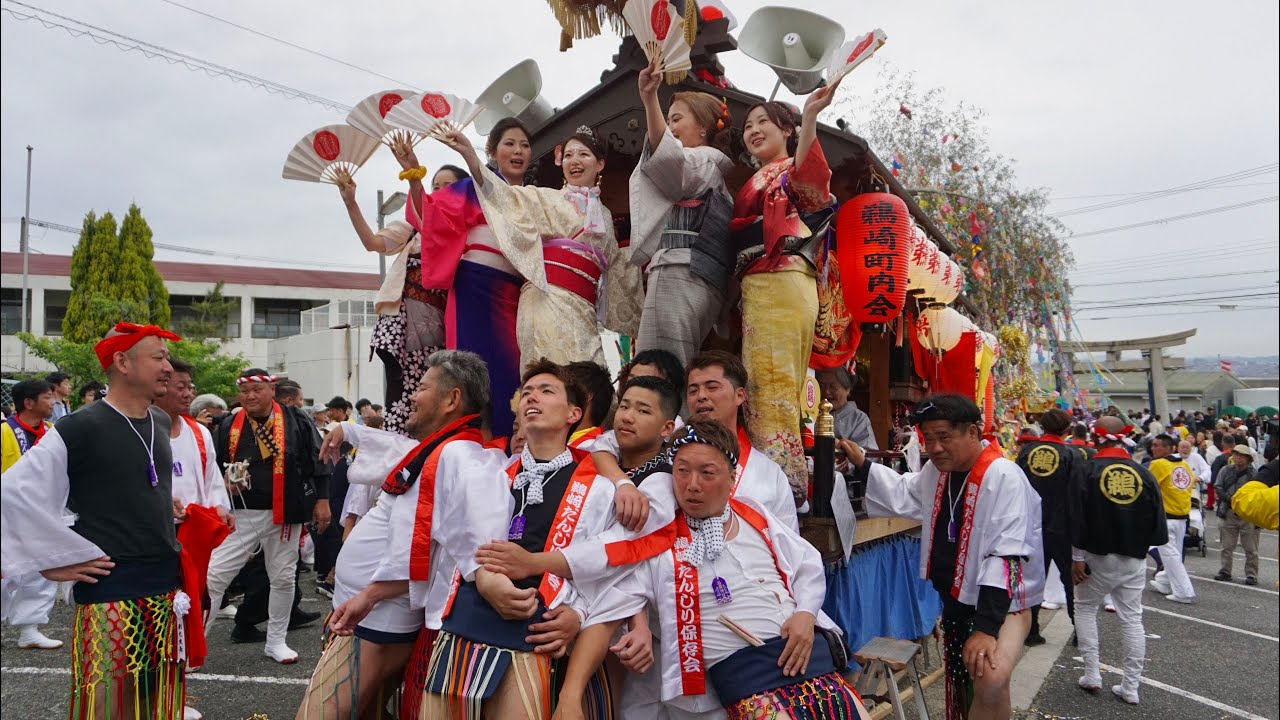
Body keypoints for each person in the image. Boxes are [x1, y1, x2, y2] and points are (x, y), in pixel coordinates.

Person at [486, 421, 870, 720]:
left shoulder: (754, 514)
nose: (692, 485)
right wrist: (570, 697)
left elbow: (807, 565)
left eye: (707, 473)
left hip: (812, 665)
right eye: (682, 471)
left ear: (732, 478)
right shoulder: (659, 542)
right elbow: (606, 608)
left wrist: (804, 613)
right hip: (747, 687)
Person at [297, 350, 510, 720]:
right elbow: (398, 448)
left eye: (423, 387)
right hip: (368, 613)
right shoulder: (438, 449)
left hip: (378, 619)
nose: (411, 395)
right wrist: (348, 429)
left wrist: (371, 594)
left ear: (452, 399)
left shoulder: (463, 457)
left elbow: (450, 547)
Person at [418, 359, 623, 718]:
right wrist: (483, 578)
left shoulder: (600, 489)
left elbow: (610, 569)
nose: (532, 397)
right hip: (468, 618)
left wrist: (579, 613)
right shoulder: (491, 468)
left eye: (546, 391)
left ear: (574, 413)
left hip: (537, 628)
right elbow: (451, 535)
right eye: (526, 392)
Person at [2, 322, 187, 717]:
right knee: (107, 705)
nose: (168, 367)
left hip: (164, 582)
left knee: (154, 700)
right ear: (122, 362)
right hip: (111, 588)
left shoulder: (158, 420)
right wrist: (51, 559)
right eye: (158, 357)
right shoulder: (80, 426)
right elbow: (14, 492)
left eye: (167, 357)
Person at [479, 374, 682, 719]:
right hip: (533, 608)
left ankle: (571, 697)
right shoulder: (591, 456)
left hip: (609, 614)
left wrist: (535, 565)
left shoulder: (660, 484)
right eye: (625, 406)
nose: (628, 416)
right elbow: (602, 447)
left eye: (642, 410)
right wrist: (620, 480)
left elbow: (617, 555)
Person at [849, 394, 1043, 720]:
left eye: (944, 437)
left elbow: (1005, 557)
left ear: (972, 431)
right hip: (956, 601)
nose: (935, 447)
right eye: (928, 439)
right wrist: (864, 465)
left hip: (1004, 604)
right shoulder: (936, 472)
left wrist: (984, 629)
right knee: (971, 682)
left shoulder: (1003, 477)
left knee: (989, 676)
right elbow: (907, 493)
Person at [445, 124, 643, 370]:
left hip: (584, 310)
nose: (575, 161)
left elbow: (617, 269)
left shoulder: (603, 216)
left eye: (583, 154)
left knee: (591, 381)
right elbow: (508, 198)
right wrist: (470, 156)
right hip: (546, 302)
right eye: (569, 155)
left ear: (599, 164)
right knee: (551, 376)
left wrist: (647, 257)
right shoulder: (546, 198)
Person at [730, 79, 843, 500]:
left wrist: (810, 115)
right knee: (773, 384)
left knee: (770, 385)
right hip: (770, 282)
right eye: (748, 125)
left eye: (765, 122)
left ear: (787, 131)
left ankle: (776, 490)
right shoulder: (761, 177)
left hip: (779, 275)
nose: (754, 130)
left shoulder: (785, 172)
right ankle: (784, 481)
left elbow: (811, 178)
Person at [398, 123, 530, 438]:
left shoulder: (533, 196)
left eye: (524, 145)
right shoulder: (472, 187)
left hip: (515, 294)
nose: (517, 151)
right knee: (470, 374)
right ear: (493, 152)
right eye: (509, 144)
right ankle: (469, 443)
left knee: (511, 373)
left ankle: (508, 444)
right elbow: (429, 217)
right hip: (475, 288)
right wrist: (415, 176)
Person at [204, 369, 331, 663]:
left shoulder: (294, 418)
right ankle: (195, 647)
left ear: (271, 391)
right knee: (213, 576)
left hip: (285, 511)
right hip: (241, 512)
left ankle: (276, 641)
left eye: (256, 390)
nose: (249, 396)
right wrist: (224, 484)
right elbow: (212, 467)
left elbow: (318, 460)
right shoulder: (228, 424)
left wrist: (322, 500)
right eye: (245, 391)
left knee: (283, 578)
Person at [336, 166, 468, 435]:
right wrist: (351, 202)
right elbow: (373, 243)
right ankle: (397, 437)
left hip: (440, 320)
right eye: (436, 185)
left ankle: (426, 439)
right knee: (398, 381)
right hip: (403, 312)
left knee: (432, 383)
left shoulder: (468, 228)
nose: (440, 191)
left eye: (448, 185)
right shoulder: (413, 226)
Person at [628, 58, 736, 368]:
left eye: (677, 119)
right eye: (670, 120)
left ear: (703, 127)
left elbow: (670, 163)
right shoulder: (713, 170)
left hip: (679, 270)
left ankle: (664, 418)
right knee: (676, 364)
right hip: (700, 276)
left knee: (659, 366)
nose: (671, 127)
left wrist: (650, 99)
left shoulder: (701, 160)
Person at [1068, 416, 1167, 705]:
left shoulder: (1086, 470)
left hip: (1095, 556)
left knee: (1085, 609)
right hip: (1134, 557)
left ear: (1095, 438)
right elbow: (1157, 525)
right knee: (1132, 619)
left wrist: (1076, 557)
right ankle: (1131, 686)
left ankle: (1092, 674)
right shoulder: (1143, 472)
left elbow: (1076, 517)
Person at [1, 378, 63, 650]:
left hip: (40, 511)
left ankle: (29, 629)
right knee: (6, 572)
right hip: (7, 511)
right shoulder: (4, 432)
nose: (53, 402)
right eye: (48, 397)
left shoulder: (52, 431)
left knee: (40, 570)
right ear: (29, 403)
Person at [1014, 408, 1077, 646]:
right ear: (1066, 430)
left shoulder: (1026, 452)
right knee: (1069, 579)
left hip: (1030, 526)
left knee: (1032, 579)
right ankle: (1080, 631)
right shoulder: (1070, 455)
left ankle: (1031, 631)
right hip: (1062, 527)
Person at [1146, 434, 1196, 603]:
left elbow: (1148, 487)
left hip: (1166, 516)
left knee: (1170, 555)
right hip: (1182, 515)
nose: (1153, 448)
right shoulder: (1184, 465)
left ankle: (1184, 592)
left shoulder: (1158, 464)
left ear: (1169, 448)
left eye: (1157, 445)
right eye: (1153, 445)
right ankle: (1164, 580)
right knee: (1173, 553)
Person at [1213, 445, 1261, 585]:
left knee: (1251, 549)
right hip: (1227, 511)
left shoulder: (1254, 474)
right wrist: (1230, 499)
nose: (1238, 457)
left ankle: (1251, 575)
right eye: (1236, 454)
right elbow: (1218, 486)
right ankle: (1225, 571)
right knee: (1226, 546)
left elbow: (1259, 492)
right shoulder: (1225, 470)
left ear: (1248, 458)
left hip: (1248, 514)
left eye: (1241, 455)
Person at [816, 365, 878, 450]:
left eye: (833, 387)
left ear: (847, 390)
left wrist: (842, 447)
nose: (826, 391)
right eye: (821, 386)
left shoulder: (858, 418)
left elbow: (869, 456)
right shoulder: (809, 414)